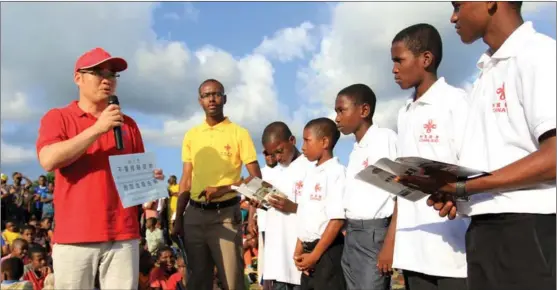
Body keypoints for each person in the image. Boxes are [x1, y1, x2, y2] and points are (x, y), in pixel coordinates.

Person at [399, 2, 556, 290]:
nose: (453, 16)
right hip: (483, 228)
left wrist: (464, 188)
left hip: (526, 227)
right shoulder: (486, 74)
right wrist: (455, 193)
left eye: (458, 5)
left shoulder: (538, 54)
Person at [35, 47, 165, 289]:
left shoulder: (128, 124)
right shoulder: (58, 117)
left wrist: (151, 180)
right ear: (78, 78)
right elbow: (48, 159)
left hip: (123, 234)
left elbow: (139, 179)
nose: (107, 80)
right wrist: (97, 129)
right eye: (98, 72)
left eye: (113, 74)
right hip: (75, 236)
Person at [389, 23, 469, 290]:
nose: (394, 69)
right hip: (414, 246)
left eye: (399, 60)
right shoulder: (404, 112)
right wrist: (393, 240)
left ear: (425, 59)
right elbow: (403, 186)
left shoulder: (456, 102)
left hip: (453, 247)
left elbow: (473, 171)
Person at [172, 79, 262, 290]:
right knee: (198, 281)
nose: (211, 99)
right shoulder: (192, 135)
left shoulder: (239, 133)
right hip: (194, 214)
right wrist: (178, 218)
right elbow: (185, 178)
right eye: (206, 95)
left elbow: (256, 178)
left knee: (232, 281)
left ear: (225, 98)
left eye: (216, 94)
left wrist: (225, 188)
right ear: (199, 101)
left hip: (225, 215)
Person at [334, 84, 398, 290]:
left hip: (375, 234)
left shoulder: (385, 139)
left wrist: (390, 243)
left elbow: (401, 194)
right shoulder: (355, 150)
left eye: (341, 110)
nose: (337, 118)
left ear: (364, 110)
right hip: (353, 234)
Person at [294, 118, 346, 290]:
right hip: (309, 252)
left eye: (307, 140)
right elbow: (306, 216)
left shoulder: (337, 173)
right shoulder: (311, 173)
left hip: (326, 253)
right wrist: (299, 250)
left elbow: (336, 220)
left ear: (324, 142)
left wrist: (315, 256)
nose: (303, 147)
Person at [262, 121, 315, 290]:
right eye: (272, 154)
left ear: (292, 140)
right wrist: (261, 203)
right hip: (278, 253)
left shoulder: (310, 167)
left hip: (299, 251)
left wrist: (294, 207)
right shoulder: (276, 172)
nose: (277, 158)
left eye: (279, 151)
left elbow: (319, 210)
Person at [256, 149, 278, 290]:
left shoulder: (283, 170)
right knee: (267, 259)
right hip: (264, 223)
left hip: (278, 222)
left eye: (272, 154)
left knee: (276, 258)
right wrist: (252, 221)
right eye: (266, 154)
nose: (269, 157)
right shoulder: (260, 173)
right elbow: (254, 196)